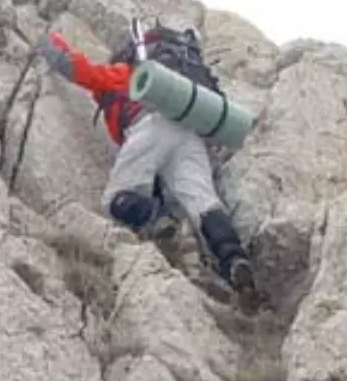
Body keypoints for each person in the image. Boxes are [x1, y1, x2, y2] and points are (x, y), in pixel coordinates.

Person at [36, 19, 258, 302]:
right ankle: (235, 260)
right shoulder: (183, 83)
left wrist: (48, 41)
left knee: (117, 198)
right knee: (203, 203)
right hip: (191, 135)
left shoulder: (129, 74)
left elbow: (79, 69)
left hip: (150, 125)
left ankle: (163, 222)